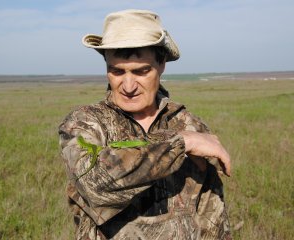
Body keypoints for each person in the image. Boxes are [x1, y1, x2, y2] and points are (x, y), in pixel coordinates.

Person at [59, 9, 232, 240]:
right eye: (117, 71)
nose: (128, 86)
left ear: (162, 65)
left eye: (141, 71)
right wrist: (181, 143)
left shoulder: (190, 124)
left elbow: (213, 215)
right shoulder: (85, 123)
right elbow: (95, 185)